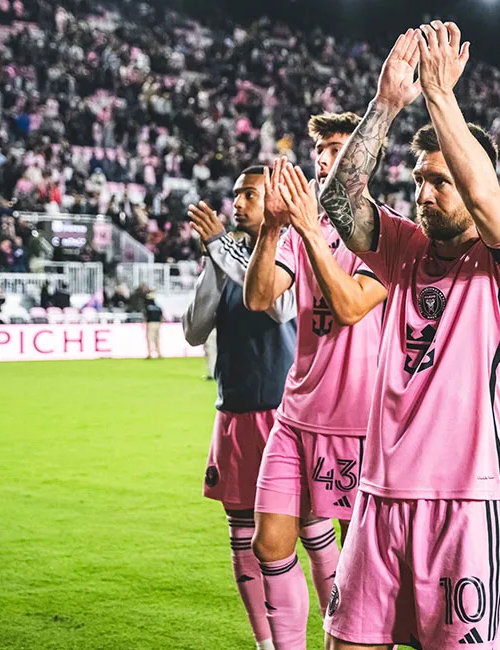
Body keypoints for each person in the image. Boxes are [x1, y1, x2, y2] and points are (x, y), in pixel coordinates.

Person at [318, 24, 500, 649]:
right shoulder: (405, 249)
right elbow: (339, 199)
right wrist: (389, 102)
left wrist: (442, 96)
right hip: (377, 495)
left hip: (464, 503)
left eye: (439, 181)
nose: (423, 194)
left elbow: (485, 197)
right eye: (420, 179)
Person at [242, 113, 387, 650]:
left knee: (357, 562)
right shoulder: (307, 230)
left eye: (339, 149)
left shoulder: (383, 232)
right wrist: (276, 227)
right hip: (296, 414)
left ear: (366, 158)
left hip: (357, 424)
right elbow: (259, 298)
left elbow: (350, 307)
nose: (327, 159)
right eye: (322, 149)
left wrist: (304, 230)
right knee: (270, 542)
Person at [182, 166, 298, 650]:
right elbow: (193, 330)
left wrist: (219, 250)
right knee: (242, 535)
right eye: (236, 194)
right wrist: (215, 261)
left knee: (308, 536)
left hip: (284, 417)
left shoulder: (292, 250)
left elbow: (277, 307)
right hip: (232, 414)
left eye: (250, 194)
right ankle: (265, 643)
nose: (238, 203)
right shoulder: (223, 260)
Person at [144, 294, 163, 359]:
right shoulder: (158, 307)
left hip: (151, 324)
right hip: (158, 324)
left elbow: (146, 317)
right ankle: (159, 353)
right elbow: (161, 317)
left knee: (149, 339)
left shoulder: (147, 307)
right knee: (157, 339)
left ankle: (149, 354)